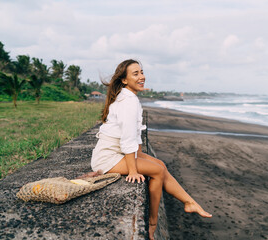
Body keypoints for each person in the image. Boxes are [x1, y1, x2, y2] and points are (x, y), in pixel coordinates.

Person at [90, 59, 212, 240]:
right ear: (124, 80)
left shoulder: (129, 97)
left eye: (142, 72)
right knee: (156, 170)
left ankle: (189, 202)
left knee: (160, 164)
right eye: (136, 73)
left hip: (117, 153)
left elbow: (135, 137)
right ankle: (152, 224)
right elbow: (127, 139)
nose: (142, 77)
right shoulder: (128, 101)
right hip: (107, 158)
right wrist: (133, 169)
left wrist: (141, 158)